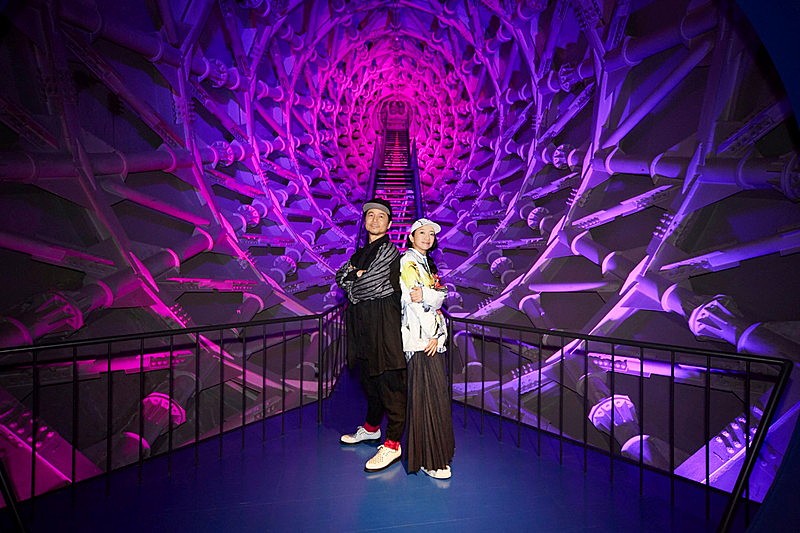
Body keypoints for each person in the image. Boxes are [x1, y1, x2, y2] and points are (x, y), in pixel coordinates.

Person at [335, 198, 407, 472]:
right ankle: (371, 428)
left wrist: (354, 279)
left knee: (390, 386)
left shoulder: (390, 252)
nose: (375, 220)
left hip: (384, 328)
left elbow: (368, 285)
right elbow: (340, 276)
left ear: (390, 224)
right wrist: (355, 276)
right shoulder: (360, 253)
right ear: (365, 221)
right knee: (370, 383)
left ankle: (393, 444)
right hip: (362, 330)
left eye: (381, 216)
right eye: (370, 215)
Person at [399, 218, 455, 479]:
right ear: (411, 237)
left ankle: (432, 456)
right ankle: (429, 460)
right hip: (422, 342)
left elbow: (440, 296)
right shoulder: (408, 262)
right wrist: (433, 336)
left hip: (430, 340)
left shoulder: (425, 263)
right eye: (422, 233)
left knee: (433, 398)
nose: (427, 237)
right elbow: (415, 301)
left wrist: (432, 297)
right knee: (427, 400)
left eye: (431, 234)